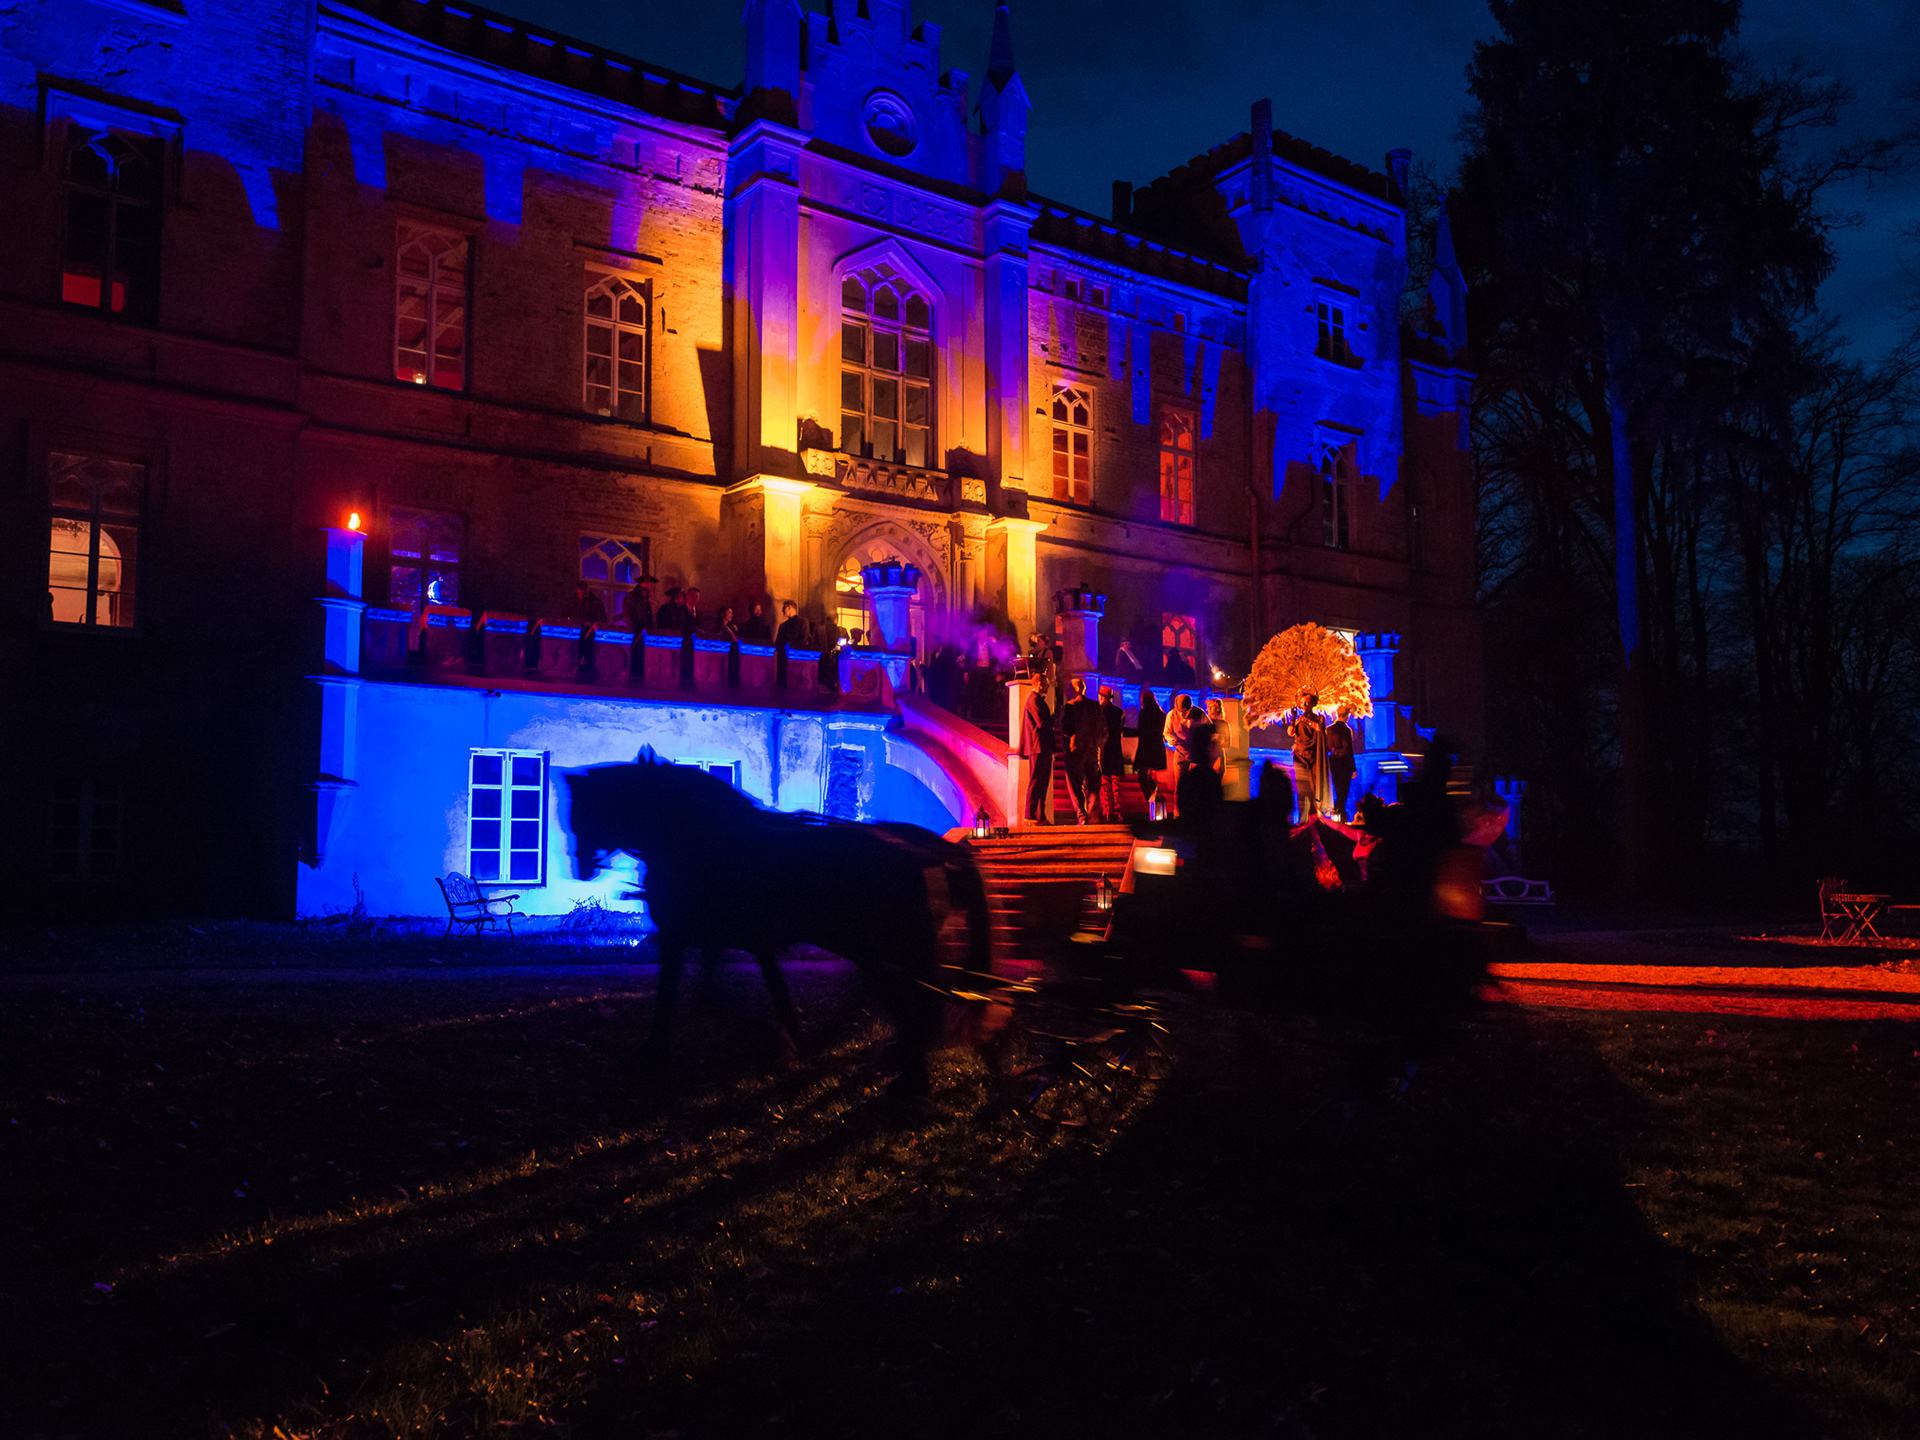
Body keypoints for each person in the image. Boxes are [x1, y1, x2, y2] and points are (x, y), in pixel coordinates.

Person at [1060, 676, 1105, 825]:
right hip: (1093, 748)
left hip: (1076, 750)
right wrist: (1098, 743)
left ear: (1074, 690)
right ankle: (1092, 811)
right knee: (1094, 781)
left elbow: (1066, 728)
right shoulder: (1095, 705)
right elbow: (1103, 727)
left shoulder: (1070, 706)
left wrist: (1068, 745)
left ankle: (1082, 814)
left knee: (1074, 782)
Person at [1019, 681, 1057, 824]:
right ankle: (1030, 815)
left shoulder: (1037, 699)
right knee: (1036, 781)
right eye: (1046, 683)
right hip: (1038, 746)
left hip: (1042, 746)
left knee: (1042, 781)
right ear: (1039, 684)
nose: (1048, 686)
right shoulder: (1034, 700)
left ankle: (1040, 815)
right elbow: (1042, 722)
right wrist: (1053, 719)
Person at [1289, 692, 1327, 820]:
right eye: (1302, 702)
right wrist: (1293, 718)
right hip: (1299, 756)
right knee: (1301, 789)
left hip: (1313, 756)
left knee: (1313, 788)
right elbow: (1290, 732)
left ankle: (1314, 817)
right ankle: (1302, 819)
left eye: (1307, 701)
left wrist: (1303, 719)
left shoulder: (1319, 718)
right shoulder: (1298, 719)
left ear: (1312, 703)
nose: (1305, 704)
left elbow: (1319, 729)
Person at [1097, 684, 1127, 821]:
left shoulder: (1098, 711)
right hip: (1115, 749)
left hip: (1103, 749)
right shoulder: (1119, 712)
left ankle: (1107, 811)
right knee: (1115, 782)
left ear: (1101, 697)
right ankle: (1118, 811)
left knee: (1104, 781)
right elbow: (1121, 729)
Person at [1134, 689, 1168, 806]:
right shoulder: (1161, 714)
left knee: (1143, 776)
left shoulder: (1144, 714)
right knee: (1151, 775)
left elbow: (1141, 731)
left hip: (1145, 748)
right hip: (1157, 747)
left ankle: (1151, 801)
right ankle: (1156, 796)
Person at [1327, 707, 1357, 820]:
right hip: (1344, 763)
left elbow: (1327, 747)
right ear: (1347, 716)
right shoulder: (1346, 730)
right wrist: (1353, 768)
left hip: (1333, 762)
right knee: (1343, 790)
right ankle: (1338, 811)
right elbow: (1348, 750)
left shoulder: (1329, 729)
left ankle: (1340, 814)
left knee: (1338, 788)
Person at [1164, 694, 1196, 775]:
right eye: (1180, 712)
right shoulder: (1171, 714)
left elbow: (1210, 731)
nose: (1182, 714)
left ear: (1190, 708)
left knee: (1196, 780)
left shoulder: (1199, 713)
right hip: (1180, 752)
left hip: (1196, 752)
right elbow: (1167, 732)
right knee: (1180, 779)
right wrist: (1170, 739)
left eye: (1185, 712)